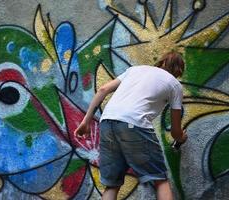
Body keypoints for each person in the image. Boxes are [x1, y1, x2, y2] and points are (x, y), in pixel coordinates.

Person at [75, 51, 188, 200]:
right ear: (178, 71)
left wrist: (86, 121)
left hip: (107, 122)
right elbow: (175, 131)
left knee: (112, 185)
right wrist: (182, 137)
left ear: (162, 62)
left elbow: (103, 89)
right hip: (134, 124)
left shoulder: (135, 70)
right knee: (160, 180)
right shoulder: (174, 85)